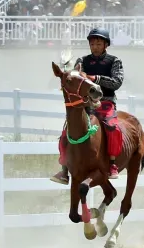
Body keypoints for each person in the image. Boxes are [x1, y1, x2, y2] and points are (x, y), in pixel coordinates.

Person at [50, 28, 125, 185]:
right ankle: (64, 168)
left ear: (106, 45)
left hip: (106, 102)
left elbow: (117, 82)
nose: (95, 47)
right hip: (86, 103)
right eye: (92, 44)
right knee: (66, 130)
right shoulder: (82, 61)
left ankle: (112, 164)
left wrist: (95, 78)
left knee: (113, 127)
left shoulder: (114, 61)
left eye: (98, 44)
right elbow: (74, 78)